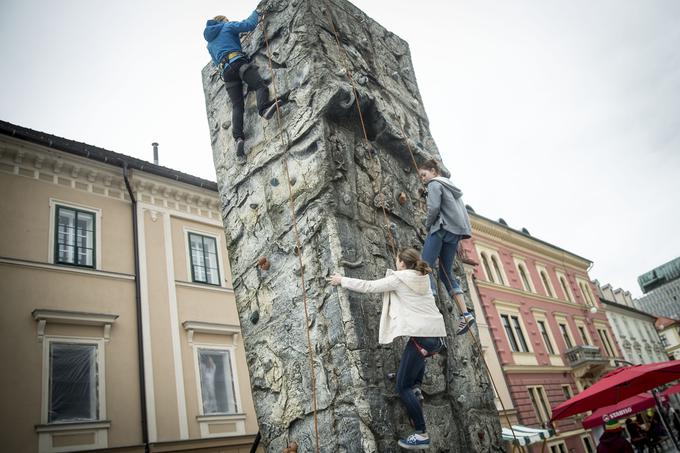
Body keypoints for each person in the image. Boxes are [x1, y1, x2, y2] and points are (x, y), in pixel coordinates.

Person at [328, 248, 447, 450]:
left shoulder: (399, 279)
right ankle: (416, 388)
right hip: (436, 338)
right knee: (411, 370)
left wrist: (342, 280)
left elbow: (369, 286)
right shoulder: (423, 278)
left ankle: (421, 433)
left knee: (401, 387)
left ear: (401, 263)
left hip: (422, 340)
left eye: (397, 260)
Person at [203, 10, 280, 158]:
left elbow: (215, 61)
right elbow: (249, 25)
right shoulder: (227, 26)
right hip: (238, 62)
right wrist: (256, 12)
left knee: (237, 105)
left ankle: (238, 138)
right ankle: (264, 109)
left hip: (226, 72)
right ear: (223, 20)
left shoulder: (210, 44)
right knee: (259, 85)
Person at [418, 159, 474, 335]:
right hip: (455, 233)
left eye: (424, 175)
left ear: (434, 172)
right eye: (421, 177)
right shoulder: (451, 187)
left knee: (423, 265)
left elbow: (434, 208)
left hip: (441, 229)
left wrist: (427, 224)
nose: (423, 179)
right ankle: (465, 314)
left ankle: (430, 306)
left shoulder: (434, 184)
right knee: (445, 273)